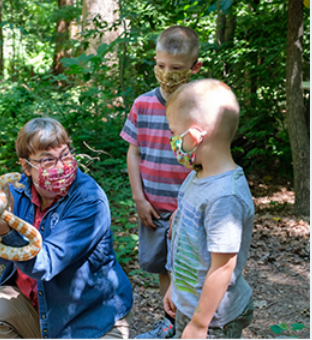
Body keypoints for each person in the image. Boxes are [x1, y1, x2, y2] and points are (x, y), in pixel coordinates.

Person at [0, 117, 133, 339]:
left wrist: (5, 231)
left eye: (65, 155)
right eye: (48, 161)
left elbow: (45, 265)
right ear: (26, 166)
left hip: (91, 321)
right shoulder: (15, 192)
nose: (61, 167)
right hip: (39, 310)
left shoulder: (89, 200)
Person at [120, 25, 203, 339]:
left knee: (188, 266)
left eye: (177, 68)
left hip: (190, 209)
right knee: (163, 267)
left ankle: (193, 322)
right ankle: (171, 321)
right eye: (161, 66)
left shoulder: (199, 107)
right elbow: (133, 151)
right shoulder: (142, 104)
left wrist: (190, 208)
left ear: (194, 68)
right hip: (154, 207)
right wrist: (139, 198)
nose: (167, 73)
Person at [163, 79, 254, 339]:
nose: (172, 141)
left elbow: (223, 267)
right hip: (191, 304)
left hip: (214, 319)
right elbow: (185, 241)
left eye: (173, 133)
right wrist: (176, 289)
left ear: (193, 136)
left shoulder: (225, 197)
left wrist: (200, 323)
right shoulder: (196, 176)